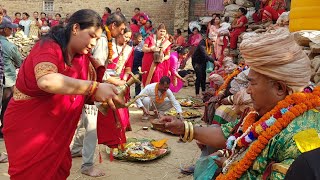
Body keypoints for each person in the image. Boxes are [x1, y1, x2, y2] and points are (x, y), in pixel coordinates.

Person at [161, 28, 320, 179]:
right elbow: (229, 133)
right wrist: (183, 127)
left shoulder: (302, 136)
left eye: (252, 83)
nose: (248, 90)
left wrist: (229, 166)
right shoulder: (265, 114)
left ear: (279, 88)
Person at [3, 9, 124, 179]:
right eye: (91, 36)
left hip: (56, 133)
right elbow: (46, 80)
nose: (94, 43)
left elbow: (83, 91)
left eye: (97, 39)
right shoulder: (47, 47)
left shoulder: (82, 58)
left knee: (57, 172)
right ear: (75, 28)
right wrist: (94, 88)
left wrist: (107, 96)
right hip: (30, 128)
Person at [70, 12, 127, 178]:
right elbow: (97, 68)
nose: (122, 33)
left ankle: (76, 150)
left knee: (84, 122)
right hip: (92, 88)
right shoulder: (102, 41)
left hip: (85, 86)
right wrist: (111, 81)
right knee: (92, 128)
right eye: (121, 29)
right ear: (113, 26)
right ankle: (87, 165)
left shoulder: (103, 39)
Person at [0, 17, 23, 137]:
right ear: (4, 30)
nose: (12, 31)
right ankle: (3, 130)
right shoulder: (10, 46)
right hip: (7, 80)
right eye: (10, 29)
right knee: (6, 106)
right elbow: (19, 62)